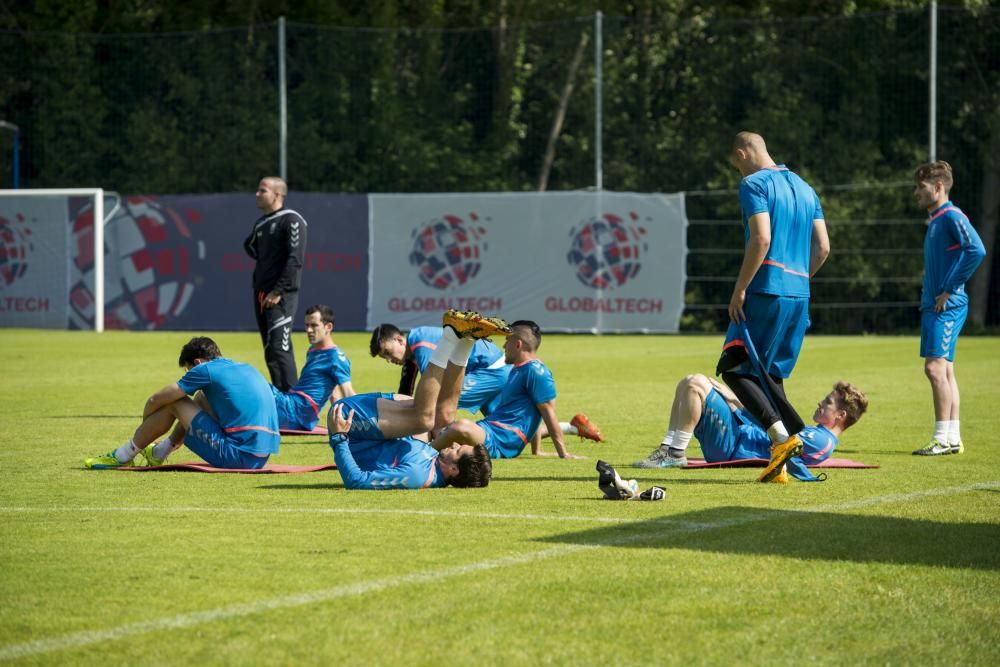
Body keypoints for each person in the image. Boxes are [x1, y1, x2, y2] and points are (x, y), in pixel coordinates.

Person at [715, 131, 830, 482]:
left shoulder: (754, 185)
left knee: (733, 367)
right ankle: (782, 456)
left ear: (742, 154)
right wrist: (798, 279)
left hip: (765, 289)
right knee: (769, 375)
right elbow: (823, 247)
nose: (738, 172)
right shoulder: (806, 188)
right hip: (799, 292)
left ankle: (784, 437)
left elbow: (761, 238)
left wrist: (741, 288)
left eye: (736, 165)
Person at [328, 310, 506, 489]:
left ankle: (450, 336)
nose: (454, 444)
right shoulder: (435, 462)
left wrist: (339, 438)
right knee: (443, 417)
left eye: (458, 450)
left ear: (454, 469)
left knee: (425, 420)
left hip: (348, 422)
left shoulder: (417, 475)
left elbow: (357, 481)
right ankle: (467, 340)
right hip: (376, 430)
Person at [370, 322, 603, 442]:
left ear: (400, 339)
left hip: (490, 370)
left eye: (389, 352)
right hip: (496, 369)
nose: (390, 360)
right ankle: (571, 427)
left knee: (440, 405)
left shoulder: (419, 341)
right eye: (385, 358)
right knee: (504, 427)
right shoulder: (411, 354)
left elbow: (426, 399)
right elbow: (406, 395)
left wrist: (387, 427)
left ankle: (437, 446)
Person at [84, 337, 280, 470]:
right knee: (202, 398)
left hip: (238, 457)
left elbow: (156, 399)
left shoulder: (205, 370)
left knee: (175, 403)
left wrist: (146, 427)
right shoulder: (244, 367)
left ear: (197, 363)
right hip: (260, 458)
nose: (190, 375)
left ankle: (123, 456)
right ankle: (159, 452)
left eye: (188, 371)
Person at [633, 374, 868, 483]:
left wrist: (736, 403)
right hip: (736, 437)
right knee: (688, 381)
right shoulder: (817, 433)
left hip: (733, 446)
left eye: (827, 402)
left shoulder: (821, 440)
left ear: (840, 415)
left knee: (696, 384)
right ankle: (668, 447)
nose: (820, 402)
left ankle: (675, 453)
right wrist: (735, 401)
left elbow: (775, 439)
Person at [911, 161, 986, 456]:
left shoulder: (952, 216)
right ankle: (952, 437)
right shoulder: (938, 219)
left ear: (938, 187)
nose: (916, 192)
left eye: (921, 187)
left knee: (934, 368)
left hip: (947, 306)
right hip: (936, 306)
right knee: (946, 370)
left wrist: (950, 287)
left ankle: (942, 438)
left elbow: (977, 250)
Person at [429, 319, 584, 460]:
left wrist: (563, 454)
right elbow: (536, 411)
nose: (504, 346)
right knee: (433, 425)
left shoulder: (536, 371)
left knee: (459, 427)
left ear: (518, 344)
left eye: (507, 341)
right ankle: (425, 447)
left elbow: (547, 412)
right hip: (490, 431)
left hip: (502, 441)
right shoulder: (517, 369)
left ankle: (425, 454)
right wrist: (536, 451)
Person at [243, 176, 308, 391]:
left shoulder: (291, 220)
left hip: (281, 295)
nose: (257, 194)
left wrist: (278, 289)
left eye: (263, 190)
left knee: (280, 347)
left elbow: (294, 259)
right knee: (270, 349)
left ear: (277, 195)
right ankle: (281, 401)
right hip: (260, 293)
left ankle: (296, 402)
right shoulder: (261, 223)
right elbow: (249, 246)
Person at [273, 304, 355, 432]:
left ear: (328, 327)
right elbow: (333, 392)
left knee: (253, 388)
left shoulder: (336, 357)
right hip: (289, 403)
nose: (309, 330)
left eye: (314, 325)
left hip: (296, 414)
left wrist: (362, 427)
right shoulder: (313, 350)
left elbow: (349, 393)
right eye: (307, 325)